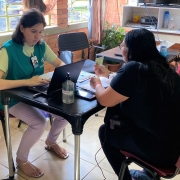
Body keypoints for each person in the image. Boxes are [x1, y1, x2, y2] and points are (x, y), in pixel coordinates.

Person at [90, 28, 180, 179]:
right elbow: (136, 88)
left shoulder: (133, 68)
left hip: (160, 153)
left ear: (132, 49)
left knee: (105, 132)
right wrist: (108, 76)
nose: (122, 49)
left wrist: (98, 83)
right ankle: (148, 175)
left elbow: (105, 99)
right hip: (174, 149)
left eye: (123, 46)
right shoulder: (165, 68)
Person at [0, 9, 69, 178]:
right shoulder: (7, 50)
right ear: (22, 28)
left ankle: (51, 142)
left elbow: (59, 63)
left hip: (34, 93)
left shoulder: (41, 46)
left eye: (40, 32)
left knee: (65, 113)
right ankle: (21, 160)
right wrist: (28, 82)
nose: (37, 36)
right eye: (33, 31)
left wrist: (66, 72)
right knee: (39, 122)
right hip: (11, 98)